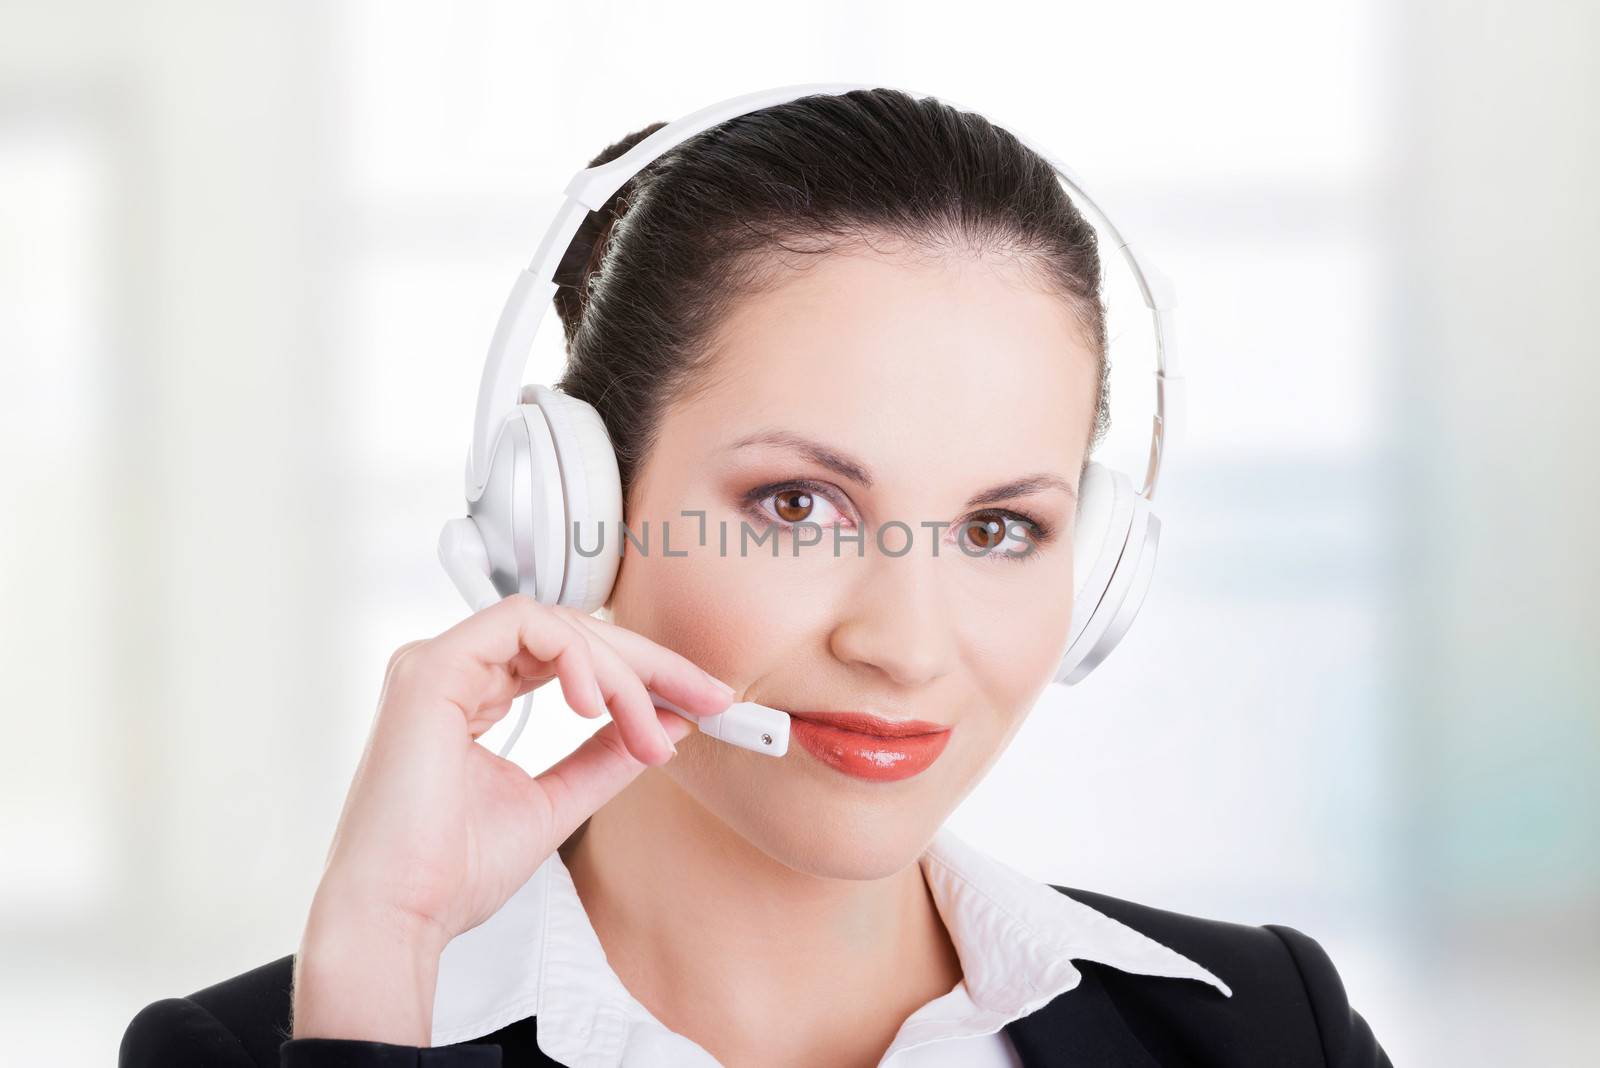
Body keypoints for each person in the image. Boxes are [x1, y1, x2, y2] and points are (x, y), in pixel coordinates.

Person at [120, 87, 1392, 1067]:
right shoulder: (268, 1049)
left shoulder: (1264, 1029)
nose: (904, 645)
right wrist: (379, 987)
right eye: (797, 506)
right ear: (574, 513)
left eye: (1001, 529)